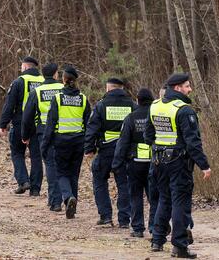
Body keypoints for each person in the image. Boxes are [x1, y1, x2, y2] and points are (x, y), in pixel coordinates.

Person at [145, 73, 211, 259]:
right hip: (178, 163)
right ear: (177, 88)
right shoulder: (184, 110)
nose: (190, 90)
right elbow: (193, 142)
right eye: (187, 86)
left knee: (164, 200)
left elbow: (148, 136)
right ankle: (180, 246)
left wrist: (160, 148)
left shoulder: (155, 105)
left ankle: (157, 240)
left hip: (159, 161)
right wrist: (204, 165)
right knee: (180, 203)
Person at [41, 66, 91, 219]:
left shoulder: (57, 98)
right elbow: (88, 122)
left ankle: (68, 197)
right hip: (78, 141)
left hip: (61, 140)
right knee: (73, 174)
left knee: (61, 173)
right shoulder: (83, 98)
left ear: (63, 80)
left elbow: (51, 123)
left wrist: (45, 144)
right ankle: (72, 207)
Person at [85, 77, 134, 228]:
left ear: (108, 89)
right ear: (122, 88)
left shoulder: (101, 105)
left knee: (99, 179)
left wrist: (89, 148)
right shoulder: (132, 105)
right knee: (124, 184)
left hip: (106, 150)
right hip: (126, 152)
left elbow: (92, 128)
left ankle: (106, 216)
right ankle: (124, 219)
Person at [113, 88, 158, 238]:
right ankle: (154, 227)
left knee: (136, 195)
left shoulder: (130, 118)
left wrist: (116, 163)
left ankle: (138, 228)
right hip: (154, 162)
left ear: (137, 100)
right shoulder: (156, 116)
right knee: (154, 196)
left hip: (135, 163)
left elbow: (122, 143)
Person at [0, 56, 44, 195]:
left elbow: (9, 105)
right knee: (36, 157)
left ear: (24, 67)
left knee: (17, 153)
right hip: (38, 124)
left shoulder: (19, 82)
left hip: (20, 123)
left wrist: (3, 123)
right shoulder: (44, 82)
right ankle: (35, 189)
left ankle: (23, 181)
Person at [21, 62, 63, 210]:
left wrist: (25, 136)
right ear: (56, 74)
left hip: (44, 132)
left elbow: (27, 117)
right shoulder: (64, 90)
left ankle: (55, 200)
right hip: (64, 131)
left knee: (50, 164)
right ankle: (65, 197)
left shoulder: (37, 92)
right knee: (62, 166)